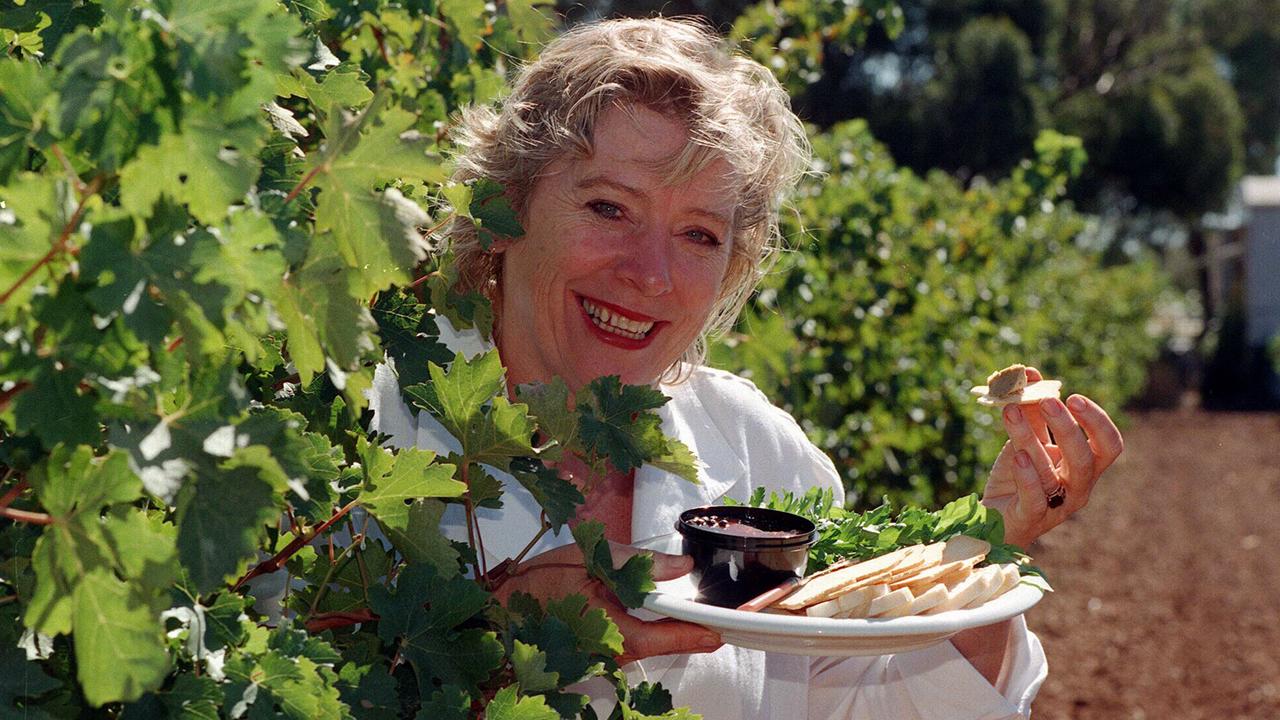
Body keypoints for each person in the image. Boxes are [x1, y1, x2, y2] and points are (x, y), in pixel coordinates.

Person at [368, 16, 1124, 719]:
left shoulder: (760, 453)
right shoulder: (364, 444)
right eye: (608, 208)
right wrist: (491, 642)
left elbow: (858, 705)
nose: (652, 274)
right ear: (502, 209)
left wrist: (978, 554)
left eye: (698, 235)